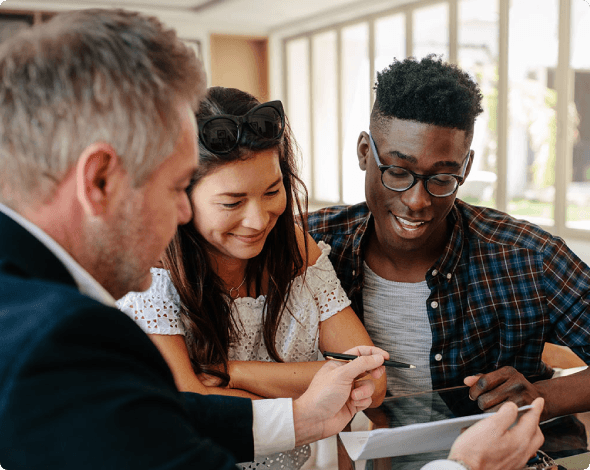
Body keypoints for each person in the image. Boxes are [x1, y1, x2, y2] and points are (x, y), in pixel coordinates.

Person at [0, 10, 543, 470]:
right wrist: (461, 466)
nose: (184, 211)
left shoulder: (30, 308)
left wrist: (304, 415)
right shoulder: (60, 339)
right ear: (99, 181)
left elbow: (174, 411)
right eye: (174, 187)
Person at [306, 55, 590, 422]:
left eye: (442, 179)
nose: (417, 201)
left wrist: (543, 397)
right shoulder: (313, 246)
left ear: (466, 168)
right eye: (397, 171)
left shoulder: (527, 257)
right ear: (365, 152)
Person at [116, 85, 387, 468]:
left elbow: (370, 384)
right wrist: (314, 398)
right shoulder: (151, 271)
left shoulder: (296, 249)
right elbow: (189, 406)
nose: (258, 220)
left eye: (273, 191)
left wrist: (232, 373)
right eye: (232, 202)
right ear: (181, 197)